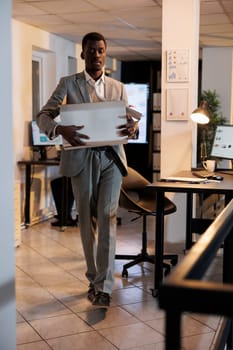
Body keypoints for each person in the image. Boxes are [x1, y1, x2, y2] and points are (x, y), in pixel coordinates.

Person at [36, 32, 139, 307]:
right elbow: (43, 115)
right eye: (91, 50)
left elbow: (128, 122)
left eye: (101, 50)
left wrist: (133, 127)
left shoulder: (118, 87)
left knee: (107, 215)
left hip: (111, 159)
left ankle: (104, 287)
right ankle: (93, 277)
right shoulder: (68, 84)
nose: (96, 55)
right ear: (83, 54)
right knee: (87, 222)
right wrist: (59, 129)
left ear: (106, 53)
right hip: (82, 159)